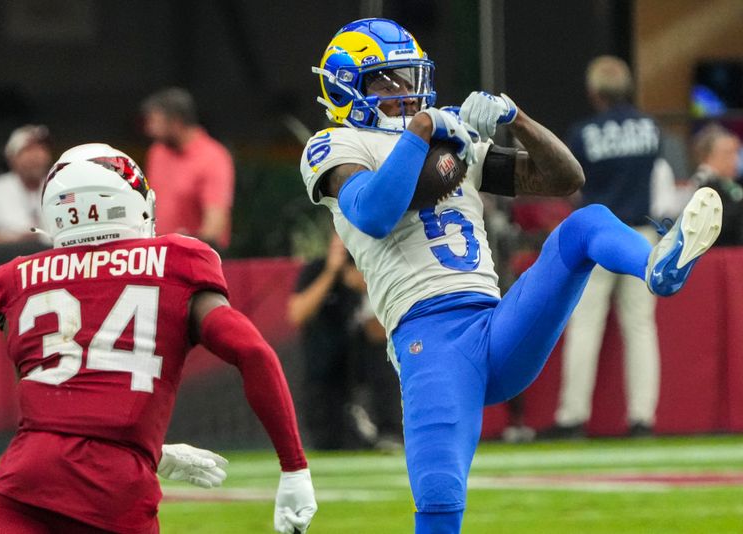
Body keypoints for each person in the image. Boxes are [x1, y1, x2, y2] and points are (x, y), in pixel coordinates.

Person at [300, 19, 721, 533]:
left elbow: (566, 178)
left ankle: (656, 266)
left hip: (497, 324)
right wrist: (428, 134)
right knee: (439, 496)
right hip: (429, 339)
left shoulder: (445, 139)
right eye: (388, 81)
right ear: (348, 88)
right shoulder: (336, 144)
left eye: (408, 78)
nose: (405, 93)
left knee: (585, 224)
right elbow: (376, 212)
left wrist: (514, 117)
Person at [0, 144, 316, 534]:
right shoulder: (175, 260)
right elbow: (252, 352)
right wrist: (294, 467)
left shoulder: (16, 278)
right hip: (114, 491)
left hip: (25, 481)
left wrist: (155, 452)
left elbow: (49, 403)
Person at [542, 56, 680, 440]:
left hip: (600, 236)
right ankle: (642, 418)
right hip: (641, 235)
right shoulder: (650, 128)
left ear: (594, 91)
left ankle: (572, 418)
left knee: (585, 324)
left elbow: (572, 183)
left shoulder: (584, 132)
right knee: (640, 327)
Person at [287, 233, 402, 450]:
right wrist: (332, 273)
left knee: (384, 360)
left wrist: (367, 290)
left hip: (359, 359)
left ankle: (390, 431)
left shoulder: (368, 271)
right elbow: (297, 314)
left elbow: (380, 333)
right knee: (329, 441)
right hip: (324, 364)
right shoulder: (315, 270)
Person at [141, 87, 235, 250]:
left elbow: (214, 225)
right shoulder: (157, 152)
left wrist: (188, 253)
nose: (150, 129)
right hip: (156, 257)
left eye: (156, 121)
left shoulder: (213, 157)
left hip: (193, 257)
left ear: (176, 121)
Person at [690, 123, 743, 246]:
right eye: (728, 153)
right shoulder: (703, 185)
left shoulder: (729, 184)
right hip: (718, 256)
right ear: (707, 156)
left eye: (736, 152)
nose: (735, 159)